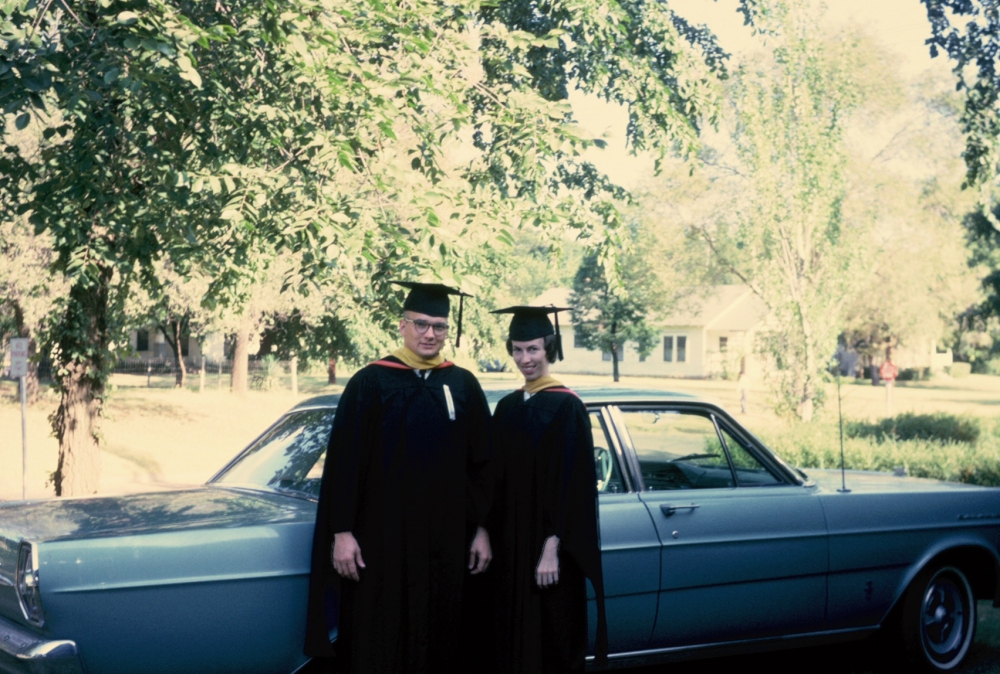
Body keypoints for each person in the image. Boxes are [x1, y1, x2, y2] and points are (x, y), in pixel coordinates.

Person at [304, 282, 493, 673]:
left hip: (446, 543)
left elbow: (484, 466)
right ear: (402, 325)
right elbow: (343, 464)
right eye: (421, 324)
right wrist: (341, 532)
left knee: (444, 635)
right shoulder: (370, 383)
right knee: (379, 635)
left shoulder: (462, 385)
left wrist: (483, 528)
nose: (430, 334)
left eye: (439, 326)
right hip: (381, 542)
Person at [489, 305, 608, 674]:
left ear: (549, 349)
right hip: (510, 545)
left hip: (550, 548)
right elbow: (492, 477)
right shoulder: (507, 407)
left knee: (553, 635)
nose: (525, 359)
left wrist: (552, 546)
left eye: (534, 349)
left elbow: (573, 485)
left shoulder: (567, 407)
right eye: (519, 349)